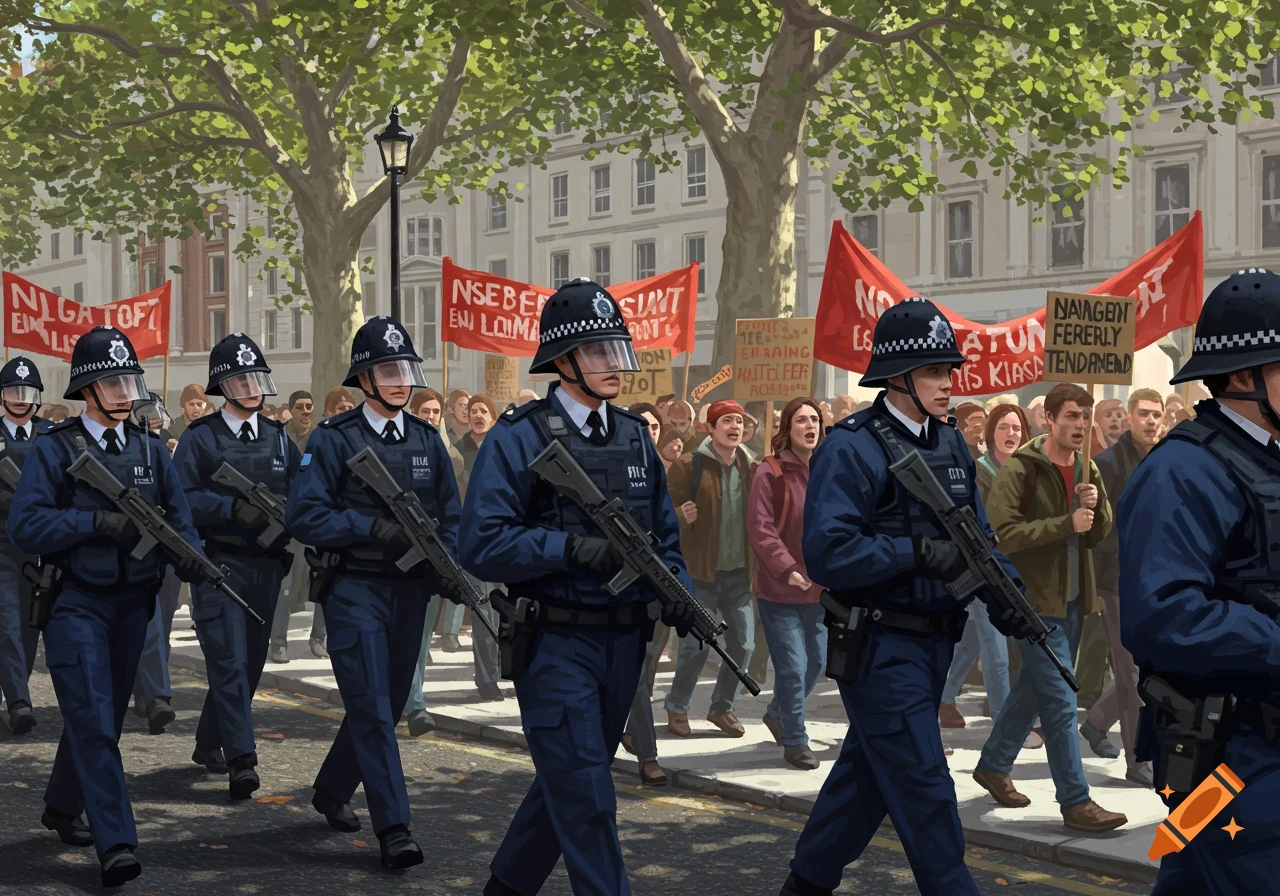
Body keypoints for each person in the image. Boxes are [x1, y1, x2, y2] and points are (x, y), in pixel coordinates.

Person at [780, 298, 1031, 896]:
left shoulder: (949, 445)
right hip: (878, 645)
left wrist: (1006, 594)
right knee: (925, 791)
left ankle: (803, 886)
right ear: (898, 378)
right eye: (933, 372)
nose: (948, 383)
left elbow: (976, 535)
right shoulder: (853, 445)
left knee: (862, 786)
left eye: (949, 371)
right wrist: (916, 554)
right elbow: (828, 553)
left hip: (933, 642)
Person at [459, 278, 692, 896]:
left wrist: (680, 593)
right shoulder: (518, 437)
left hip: (626, 644)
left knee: (569, 780)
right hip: (556, 641)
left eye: (619, 349)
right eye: (599, 352)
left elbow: (663, 535)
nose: (616, 365)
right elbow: (480, 543)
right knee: (589, 797)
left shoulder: (634, 435)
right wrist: (569, 548)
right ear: (562, 362)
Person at [9, 327, 206, 887]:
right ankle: (116, 840)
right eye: (111, 383)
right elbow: (26, 525)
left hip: (133, 606)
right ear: (87, 390)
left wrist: (190, 557)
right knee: (94, 721)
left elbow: (180, 518)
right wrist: (94, 522)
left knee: (101, 719)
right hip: (76, 603)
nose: (124, 392)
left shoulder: (148, 447)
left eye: (129, 381)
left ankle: (60, 806)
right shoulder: (55, 447)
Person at [1117, 269, 1280, 895]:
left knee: (1189, 877)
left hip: (1252, 750)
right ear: (1245, 377)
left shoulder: (1268, 454)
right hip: (1231, 754)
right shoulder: (1184, 470)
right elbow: (1163, 614)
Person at [285, 316, 463, 870]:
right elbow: (304, 514)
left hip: (410, 590)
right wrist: (369, 528)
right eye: (386, 370)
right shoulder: (334, 439)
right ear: (363, 378)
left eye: (405, 369)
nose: (398, 380)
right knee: (371, 706)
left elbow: (451, 517)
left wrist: (449, 566)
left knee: (380, 703)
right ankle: (395, 826)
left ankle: (333, 789)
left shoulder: (427, 440)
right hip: (355, 587)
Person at [974, 383, 1126, 833]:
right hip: (1034, 601)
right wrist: (1066, 523)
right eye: (1072, 417)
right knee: (1060, 703)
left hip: (1076, 599)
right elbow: (1002, 533)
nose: (1080, 426)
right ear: (1049, 420)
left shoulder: (1087, 469)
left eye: (1085, 417)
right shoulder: (1023, 468)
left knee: (1031, 689)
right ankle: (1076, 802)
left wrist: (1095, 511)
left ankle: (994, 763)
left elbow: (1100, 535)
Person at [173, 333, 301, 799]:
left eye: (254, 378)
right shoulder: (200, 438)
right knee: (228, 662)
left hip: (266, 565)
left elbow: (300, 495)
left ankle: (209, 741)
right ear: (221, 387)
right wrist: (230, 509)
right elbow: (180, 498)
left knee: (248, 664)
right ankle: (242, 760)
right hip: (218, 561)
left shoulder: (277, 438)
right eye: (239, 379)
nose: (250, 387)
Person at [1079, 388, 1163, 787]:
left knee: (1148, 666)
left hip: (1155, 580)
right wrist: (1094, 583)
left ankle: (1096, 723)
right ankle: (1136, 758)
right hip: (1116, 581)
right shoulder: (1106, 464)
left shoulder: (1164, 459)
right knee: (1130, 672)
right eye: (1144, 414)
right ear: (1130, 418)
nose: (1150, 421)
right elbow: (1098, 530)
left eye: (1156, 414)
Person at [665, 398, 757, 738]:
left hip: (739, 574)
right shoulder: (688, 465)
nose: (734, 427)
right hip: (699, 573)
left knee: (744, 645)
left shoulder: (752, 466)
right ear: (710, 428)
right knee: (695, 647)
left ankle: (722, 708)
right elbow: (663, 519)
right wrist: (679, 516)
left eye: (739, 421)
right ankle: (677, 706)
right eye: (726, 421)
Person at [937, 404, 1024, 737]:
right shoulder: (977, 470)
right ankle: (1004, 723)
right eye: (1003, 427)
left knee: (973, 642)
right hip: (981, 571)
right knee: (996, 651)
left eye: (1016, 428)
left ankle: (943, 696)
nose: (1011, 434)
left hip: (1013, 569)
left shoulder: (1024, 469)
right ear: (990, 433)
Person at [749, 397, 825, 769]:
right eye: (801, 420)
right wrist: (786, 568)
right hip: (779, 589)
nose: (809, 426)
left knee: (818, 661)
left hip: (820, 587)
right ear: (787, 428)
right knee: (793, 667)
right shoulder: (771, 471)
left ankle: (778, 712)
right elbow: (760, 528)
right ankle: (795, 740)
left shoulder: (827, 469)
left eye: (814, 419)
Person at [620, 398, 673, 787]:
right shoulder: (612, 465)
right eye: (641, 425)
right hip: (612, 586)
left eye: (653, 427)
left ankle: (629, 726)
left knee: (646, 669)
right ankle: (647, 753)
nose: (648, 432)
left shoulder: (667, 470)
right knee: (637, 673)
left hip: (653, 583)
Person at [0, 356, 51, 735]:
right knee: (7, 622)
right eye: (13, 392)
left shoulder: (50, 436)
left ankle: (15, 687)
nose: (20, 399)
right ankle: (19, 700)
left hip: (41, 546)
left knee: (31, 625)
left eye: (27, 392)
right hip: (1, 543)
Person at [127, 394, 184, 735]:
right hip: (133, 550)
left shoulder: (168, 447)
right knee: (145, 624)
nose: (155, 417)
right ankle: (151, 694)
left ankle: (149, 693)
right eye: (146, 412)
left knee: (162, 620)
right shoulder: (129, 447)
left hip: (166, 547)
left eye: (157, 411)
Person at [458, 393, 498, 487]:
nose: (478, 415)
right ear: (469, 418)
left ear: (493, 420)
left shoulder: (501, 448)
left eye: (484, 411)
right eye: (474, 412)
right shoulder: (458, 449)